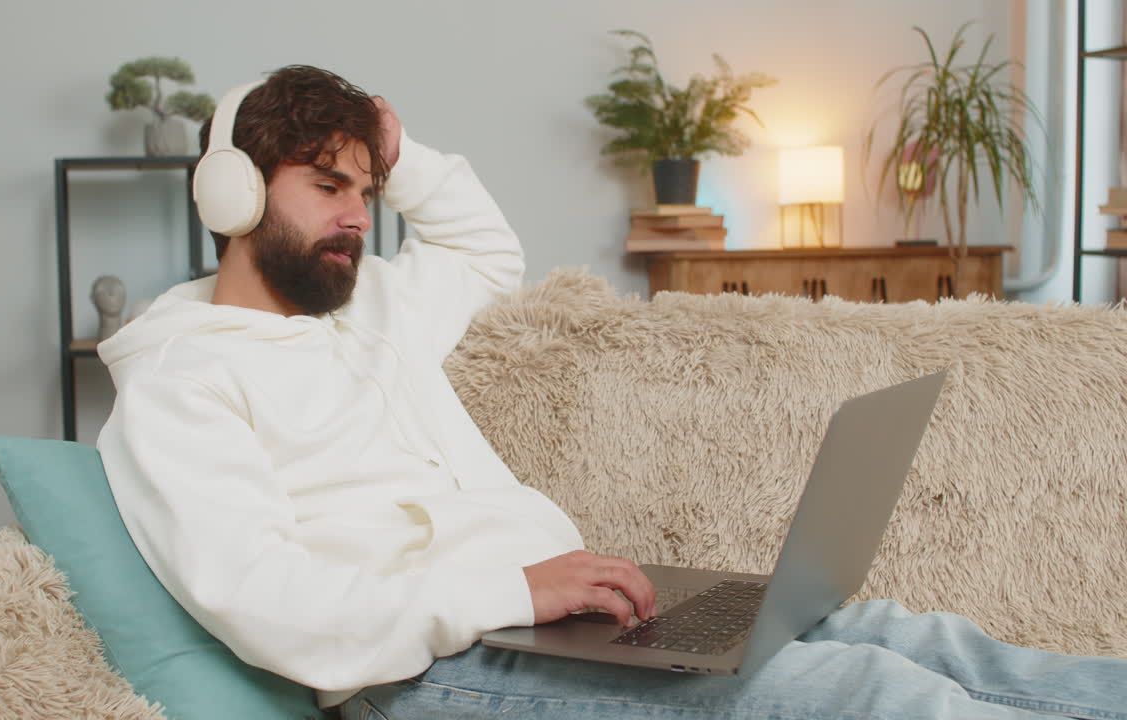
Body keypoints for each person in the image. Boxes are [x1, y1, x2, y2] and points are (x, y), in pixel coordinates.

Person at [96, 65, 1126, 720]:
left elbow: (483, 248)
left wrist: (397, 155)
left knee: (904, 636)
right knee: (858, 693)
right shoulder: (180, 383)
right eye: (329, 186)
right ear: (231, 194)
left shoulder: (368, 313)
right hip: (430, 674)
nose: (359, 217)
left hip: (553, 620)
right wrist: (515, 593)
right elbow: (273, 607)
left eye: (365, 192)